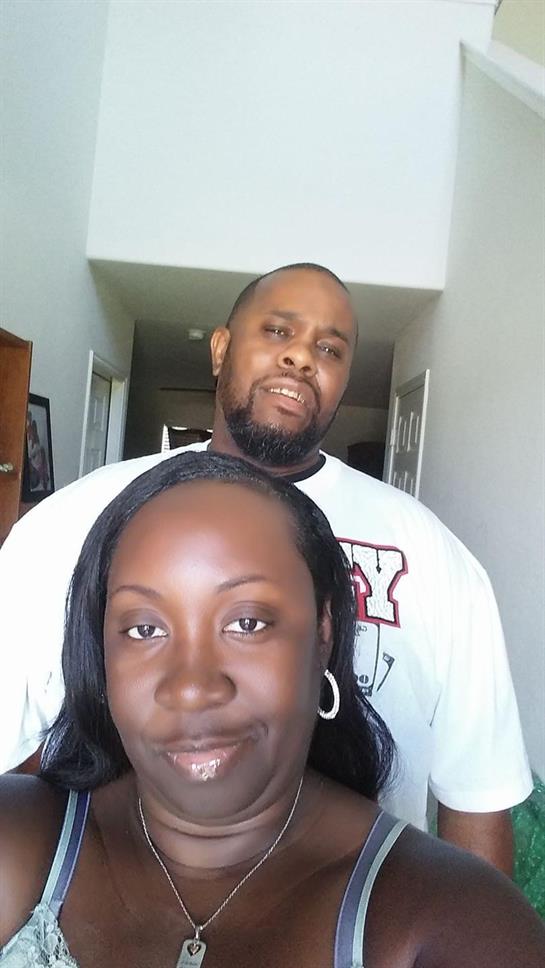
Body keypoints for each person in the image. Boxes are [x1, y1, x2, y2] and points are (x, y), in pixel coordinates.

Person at [0, 264, 531, 873]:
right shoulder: (70, 524)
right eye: (278, 331)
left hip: (352, 907)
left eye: (329, 349)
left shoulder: (432, 554)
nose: (301, 358)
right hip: (112, 899)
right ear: (221, 349)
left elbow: (478, 797)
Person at [1, 452, 544, 968]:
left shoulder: (452, 919)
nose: (193, 687)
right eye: (145, 629)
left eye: (247, 623)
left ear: (323, 633)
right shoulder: (19, 840)